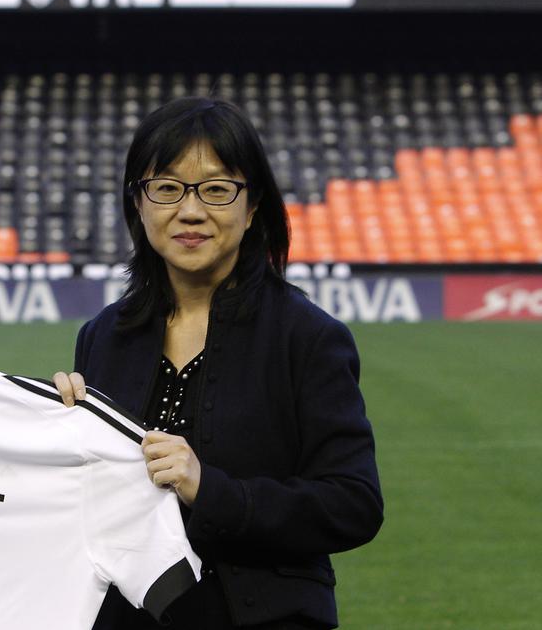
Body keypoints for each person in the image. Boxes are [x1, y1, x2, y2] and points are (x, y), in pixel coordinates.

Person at [54, 97, 382, 629]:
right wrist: (63, 434)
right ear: (137, 203)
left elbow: (354, 504)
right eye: (165, 188)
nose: (190, 211)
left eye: (216, 189)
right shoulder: (103, 337)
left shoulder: (308, 337)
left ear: (252, 207)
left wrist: (211, 489)